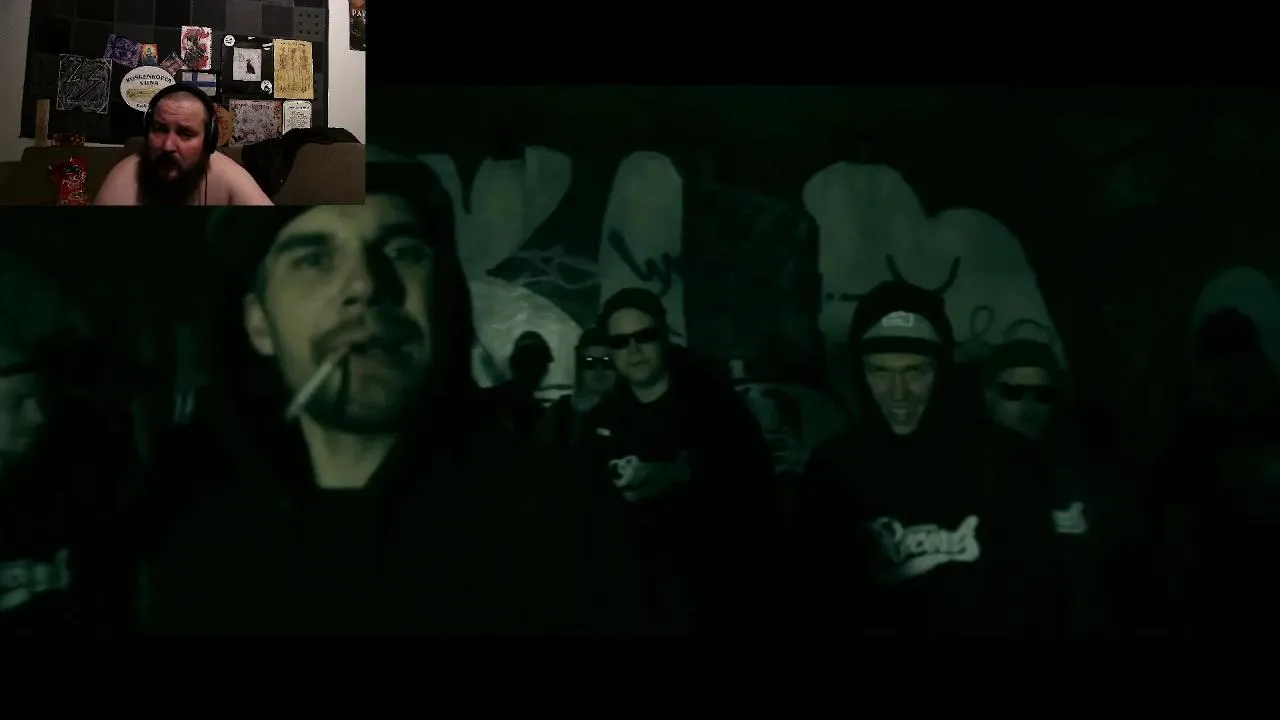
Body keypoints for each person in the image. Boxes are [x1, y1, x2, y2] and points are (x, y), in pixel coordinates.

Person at [137, 160, 640, 634]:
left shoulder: (559, 528)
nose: (367, 284)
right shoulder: (201, 547)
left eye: (401, 252)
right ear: (258, 324)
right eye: (314, 259)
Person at [793, 280, 1064, 636]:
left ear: (942, 368)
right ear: (859, 370)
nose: (898, 393)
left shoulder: (1009, 461)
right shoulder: (831, 470)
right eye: (880, 371)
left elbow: (1040, 600)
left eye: (915, 371)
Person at [582, 288, 779, 634]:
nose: (633, 349)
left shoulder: (716, 405)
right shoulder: (601, 420)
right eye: (620, 342)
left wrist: (681, 472)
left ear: (663, 335)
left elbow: (754, 483)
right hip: (637, 601)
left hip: (717, 594)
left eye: (644, 336)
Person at [981, 339, 1152, 636]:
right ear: (988, 396)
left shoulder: (1088, 480)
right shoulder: (966, 481)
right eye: (1013, 392)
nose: (1029, 406)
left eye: (1043, 394)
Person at [1157, 307, 1280, 636]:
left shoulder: (1192, 438)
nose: (1229, 372)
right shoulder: (1192, 439)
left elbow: (1176, 533)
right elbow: (1177, 533)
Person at [94, 84, 273, 206]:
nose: (168, 146)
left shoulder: (229, 177)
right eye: (160, 130)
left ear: (208, 140)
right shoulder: (126, 176)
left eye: (185, 134)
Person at [537, 327, 616, 451]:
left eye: (606, 362)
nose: (598, 371)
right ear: (580, 366)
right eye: (589, 362)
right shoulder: (560, 413)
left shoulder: (633, 412)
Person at [485, 330, 553, 438]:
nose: (535, 371)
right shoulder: (541, 417)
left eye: (539, 363)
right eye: (529, 362)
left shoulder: (487, 399)